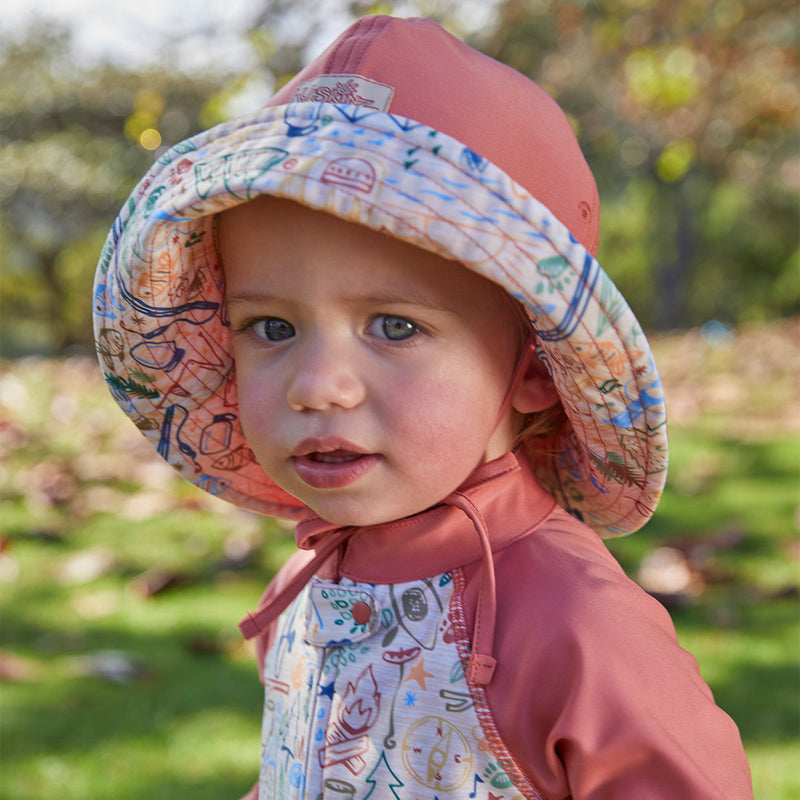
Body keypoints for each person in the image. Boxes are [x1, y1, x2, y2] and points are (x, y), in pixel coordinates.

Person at [93, 14, 754, 800]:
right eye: (272, 327)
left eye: (395, 327)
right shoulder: (314, 578)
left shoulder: (575, 626)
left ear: (535, 371)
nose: (317, 385)